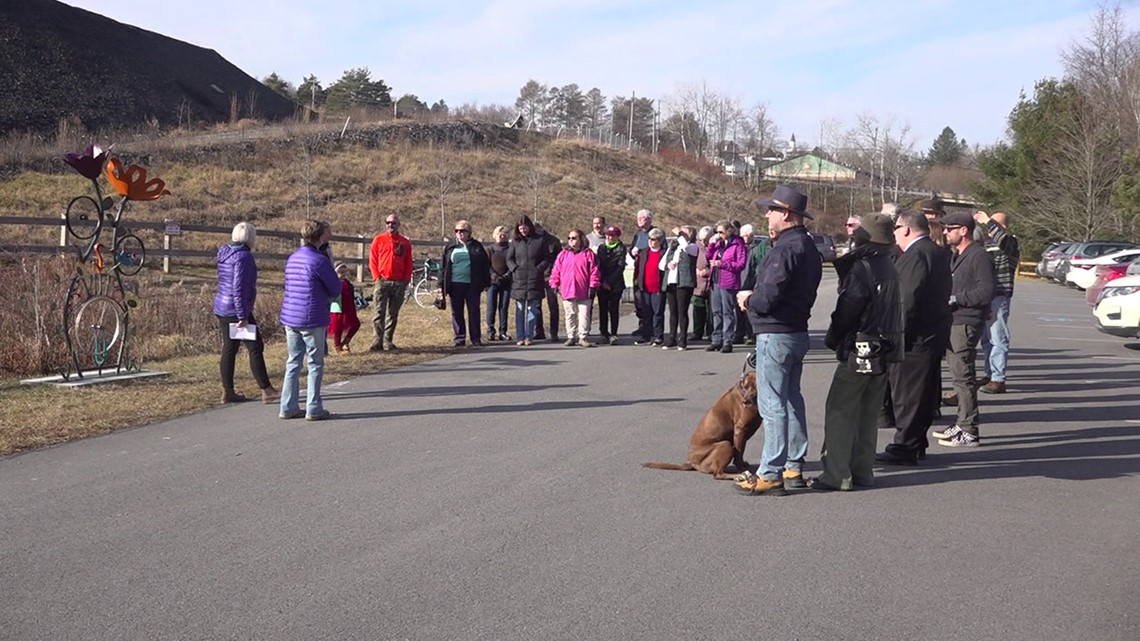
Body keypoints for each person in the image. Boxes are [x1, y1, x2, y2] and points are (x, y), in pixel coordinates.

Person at [735, 185, 823, 496]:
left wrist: (748, 299)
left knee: (772, 405)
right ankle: (793, 466)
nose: (767, 215)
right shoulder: (808, 247)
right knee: (791, 400)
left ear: (785, 214)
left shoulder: (785, 248)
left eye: (771, 210)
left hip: (776, 332)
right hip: (797, 331)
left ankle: (771, 471)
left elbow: (768, 295)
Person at [811, 214, 902, 491]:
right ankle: (862, 471)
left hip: (861, 346)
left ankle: (836, 474)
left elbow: (848, 309)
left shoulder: (863, 266)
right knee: (867, 412)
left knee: (840, 409)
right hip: (885, 348)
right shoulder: (890, 264)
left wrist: (834, 337)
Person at [875, 209, 953, 466]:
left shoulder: (917, 255)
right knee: (921, 393)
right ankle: (915, 441)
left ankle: (905, 446)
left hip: (914, 338)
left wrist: (893, 335)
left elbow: (905, 300)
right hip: (931, 334)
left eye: (896, 229)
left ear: (906, 229)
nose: (894, 235)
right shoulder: (935, 252)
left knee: (907, 395)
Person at [935, 210, 995, 448]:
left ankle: (969, 429)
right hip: (955, 321)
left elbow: (986, 290)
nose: (946, 232)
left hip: (966, 322)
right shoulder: (958, 254)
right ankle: (961, 423)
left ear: (964, 230)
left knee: (964, 377)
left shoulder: (978, 255)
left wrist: (955, 298)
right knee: (958, 377)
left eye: (950, 229)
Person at [279, 219, 341, 421]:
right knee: (315, 363)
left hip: (291, 314)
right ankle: (313, 406)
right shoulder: (319, 260)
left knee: (293, 361)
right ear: (320, 236)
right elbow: (335, 288)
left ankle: (287, 405)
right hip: (312, 315)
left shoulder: (293, 258)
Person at [213, 221, 278, 405]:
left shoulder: (225, 253)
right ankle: (266, 389)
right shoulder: (244, 257)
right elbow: (239, 288)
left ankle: (228, 391)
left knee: (229, 348)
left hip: (222, 307)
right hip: (236, 308)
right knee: (255, 347)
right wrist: (243, 315)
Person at [976, 211, 1019, 394]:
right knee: (986, 339)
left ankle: (998, 378)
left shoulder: (1010, 243)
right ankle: (989, 373)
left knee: (998, 336)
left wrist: (987, 220)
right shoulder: (987, 245)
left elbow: (1003, 240)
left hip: (1000, 295)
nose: (990, 227)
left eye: (995, 223)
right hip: (985, 295)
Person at [440, 220, 491, 347]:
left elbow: (485, 265)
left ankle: (475, 338)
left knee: (473, 311)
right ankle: (459, 338)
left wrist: (486, 282)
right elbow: (443, 267)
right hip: (455, 284)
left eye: (462, 231)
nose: (459, 233)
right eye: (457, 231)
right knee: (456, 312)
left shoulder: (476, 246)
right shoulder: (451, 246)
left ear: (469, 232)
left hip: (472, 284)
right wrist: (440, 285)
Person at [368, 212, 413, 352]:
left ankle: (388, 340)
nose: (390, 225)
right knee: (378, 312)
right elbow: (373, 260)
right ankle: (377, 342)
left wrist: (406, 279)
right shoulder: (378, 240)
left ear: (398, 225)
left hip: (399, 282)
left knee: (393, 313)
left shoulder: (404, 242)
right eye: (388, 223)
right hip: (383, 281)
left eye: (393, 223)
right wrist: (377, 277)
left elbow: (409, 262)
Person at [548, 228, 601, 347]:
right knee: (570, 314)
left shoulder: (588, 254)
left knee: (584, 314)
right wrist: (554, 284)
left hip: (584, 289)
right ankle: (571, 336)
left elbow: (594, 271)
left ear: (580, 239)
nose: (571, 241)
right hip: (567, 289)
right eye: (569, 238)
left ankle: (583, 337)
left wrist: (593, 285)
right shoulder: (563, 254)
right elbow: (556, 270)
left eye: (574, 238)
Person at [506, 215, 551, 346]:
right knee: (520, 308)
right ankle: (520, 336)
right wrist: (514, 269)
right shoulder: (515, 242)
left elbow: (546, 258)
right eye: (520, 228)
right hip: (519, 280)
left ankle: (529, 336)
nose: (523, 230)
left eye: (525, 228)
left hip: (534, 279)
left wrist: (539, 269)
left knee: (532, 309)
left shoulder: (539, 240)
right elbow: (509, 258)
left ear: (529, 227)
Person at [705, 221, 747, 354]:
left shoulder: (738, 244)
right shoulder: (720, 244)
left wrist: (722, 264)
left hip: (728, 281)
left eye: (721, 232)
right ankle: (716, 339)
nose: (719, 235)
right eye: (717, 232)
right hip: (716, 280)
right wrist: (712, 244)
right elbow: (708, 256)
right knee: (716, 311)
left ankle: (727, 341)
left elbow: (740, 264)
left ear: (729, 231)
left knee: (727, 311)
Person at [660, 225, 697, 350]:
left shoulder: (692, 247)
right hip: (671, 282)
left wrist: (679, 233)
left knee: (682, 311)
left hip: (684, 283)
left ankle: (683, 339)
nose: (680, 234)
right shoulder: (674, 247)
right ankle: (671, 338)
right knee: (672, 312)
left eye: (684, 232)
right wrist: (667, 264)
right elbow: (661, 264)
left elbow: (686, 247)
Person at [633, 228, 668, 345]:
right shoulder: (643, 252)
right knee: (646, 313)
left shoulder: (664, 253)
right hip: (645, 288)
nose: (651, 242)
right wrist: (637, 281)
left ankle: (658, 336)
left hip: (658, 288)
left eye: (653, 239)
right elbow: (638, 268)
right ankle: (646, 336)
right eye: (650, 239)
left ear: (659, 241)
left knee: (657, 313)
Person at [595, 225, 627, 345]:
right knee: (602, 309)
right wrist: (602, 281)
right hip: (602, 283)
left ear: (617, 237)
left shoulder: (621, 248)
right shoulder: (601, 248)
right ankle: (603, 333)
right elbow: (598, 265)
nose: (609, 237)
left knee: (613, 309)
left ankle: (614, 334)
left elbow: (620, 266)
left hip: (616, 283)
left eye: (612, 235)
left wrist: (609, 282)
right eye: (607, 235)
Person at [533, 223, 563, 343]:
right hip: (536, 277)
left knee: (553, 306)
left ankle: (554, 333)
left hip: (551, 276)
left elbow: (560, 259)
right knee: (536, 305)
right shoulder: (531, 241)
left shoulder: (553, 241)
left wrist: (559, 276)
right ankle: (538, 331)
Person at [630, 208, 656, 338]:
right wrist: (632, 252)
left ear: (649, 219)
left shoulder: (655, 233)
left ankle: (651, 327)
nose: (639, 220)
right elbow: (631, 249)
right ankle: (642, 325)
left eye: (642, 218)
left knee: (649, 301)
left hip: (649, 270)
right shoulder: (638, 234)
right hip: (638, 270)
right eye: (638, 218)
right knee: (639, 299)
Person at [485, 225, 512, 342]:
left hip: (506, 282)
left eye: (504, 235)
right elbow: (486, 265)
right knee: (491, 307)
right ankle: (491, 331)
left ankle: (503, 331)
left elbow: (513, 263)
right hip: (492, 282)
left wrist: (507, 275)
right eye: (499, 234)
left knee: (504, 307)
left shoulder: (510, 249)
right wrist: (494, 275)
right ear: (495, 236)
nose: (501, 236)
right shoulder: (490, 249)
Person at [328, 262, 361, 354]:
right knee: (338, 328)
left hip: (348, 307)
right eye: (340, 272)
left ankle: (346, 341)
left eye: (344, 272)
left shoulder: (347, 283)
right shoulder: (333, 283)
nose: (342, 274)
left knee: (355, 324)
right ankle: (337, 346)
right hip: (338, 308)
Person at [691, 226, 714, 342]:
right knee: (698, 309)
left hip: (711, 283)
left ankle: (711, 332)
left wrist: (708, 271)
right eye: (701, 240)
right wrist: (695, 270)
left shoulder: (715, 247)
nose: (703, 242)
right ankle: (697, 332)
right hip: (698, 283)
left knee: (711, 310)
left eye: (706, 240)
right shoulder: (696, 247)